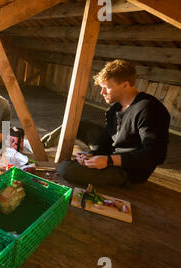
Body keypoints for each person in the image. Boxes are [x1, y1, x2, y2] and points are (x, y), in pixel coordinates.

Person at [57, 59, 170, 187]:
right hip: (113, 153)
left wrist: (109, 160)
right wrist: (91, 155)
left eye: (106, 88)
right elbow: (108, 137)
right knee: (78, 126)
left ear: (125, 85)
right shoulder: (115, 107)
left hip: (129, 171)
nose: (102, 92)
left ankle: (74, 166)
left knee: (65, 169)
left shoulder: (149, 109)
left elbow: (156, 155)